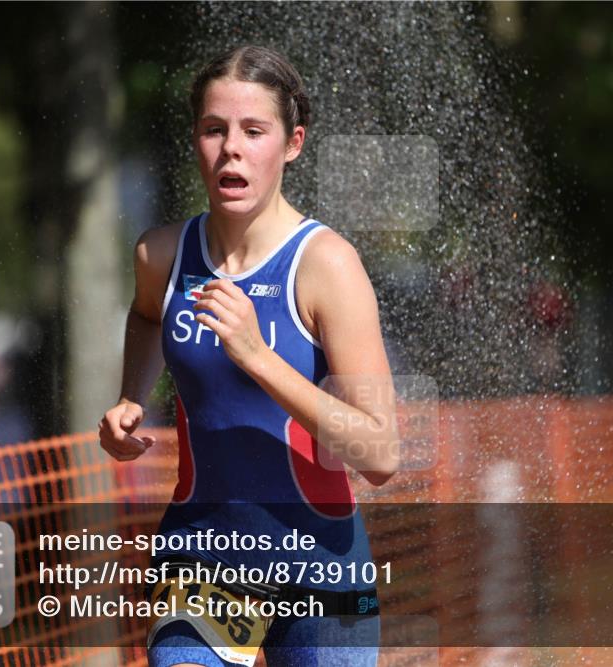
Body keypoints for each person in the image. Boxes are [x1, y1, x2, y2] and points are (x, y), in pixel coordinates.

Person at [98, 45, 399, 667]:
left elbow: (380, 454)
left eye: (254, 131)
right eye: (215, 129)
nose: (231, 149)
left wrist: (257, 356)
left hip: (321, 563)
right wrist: (131, 395)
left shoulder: (327, 266)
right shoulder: (161, 256)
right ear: (196, 140)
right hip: (202, 558)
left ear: (293, 144)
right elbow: (148, 315)